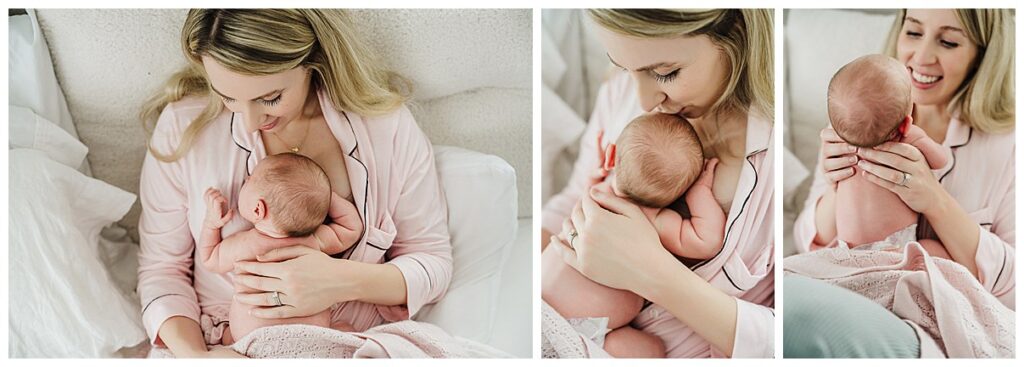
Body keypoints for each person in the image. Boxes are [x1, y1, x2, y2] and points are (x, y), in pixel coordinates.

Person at [138, 9, 452, 358]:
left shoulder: (385, 128)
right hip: (220, 344)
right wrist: (199, 358)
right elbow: (161, 270)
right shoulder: (185, 128)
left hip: (347, 344)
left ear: (313, 61)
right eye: (227, 96)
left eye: (269, 98)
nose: (252, 122)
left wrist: (338, 280)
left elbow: (431, 262)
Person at [543, 9, 775, 358]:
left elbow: (786, 340)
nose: (644, 102)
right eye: (623, 66)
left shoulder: (771, 155)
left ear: (738, 33)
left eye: (665, 73)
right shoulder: (621, 93)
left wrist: (654, 273)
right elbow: (570, 201)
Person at [789, 9, 1015, 357]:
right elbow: (808, 239)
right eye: (912, 33)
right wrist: (836, 184)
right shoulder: (857, 117)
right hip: (850, 282)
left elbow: (1016, 287)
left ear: (983, 54)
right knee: (791, 303)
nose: (922, 58)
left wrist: (936, 201)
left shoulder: (1010, 147)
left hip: (930, 331)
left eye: (949, 41)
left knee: (798, 314)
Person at [542, 113, 724, 358]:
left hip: (542, 302)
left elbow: (586, 191)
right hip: (584, 333)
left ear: (609, 157)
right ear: (682, 192)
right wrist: (701, 190)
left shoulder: (597, 193)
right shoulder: (654, 221)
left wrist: (597, 174)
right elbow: (707, 241)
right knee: (653, 349)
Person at [198, 153, 362, 343]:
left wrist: (211, 223)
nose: (246, 180)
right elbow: (351, 228)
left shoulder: (246, 245)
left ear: (258, 209)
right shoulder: (315, 241)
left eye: (249, 180)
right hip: (313, 338)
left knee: (226, 339)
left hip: (252, 340)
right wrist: (323, 197)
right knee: (345, 331)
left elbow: (209, 258)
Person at [826, 54, 950, 258]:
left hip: (847, 250)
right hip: (894, 249)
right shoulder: (908, 137)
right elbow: (941, 161)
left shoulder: (839, 148)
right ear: (905, 124)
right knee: (933, 248)